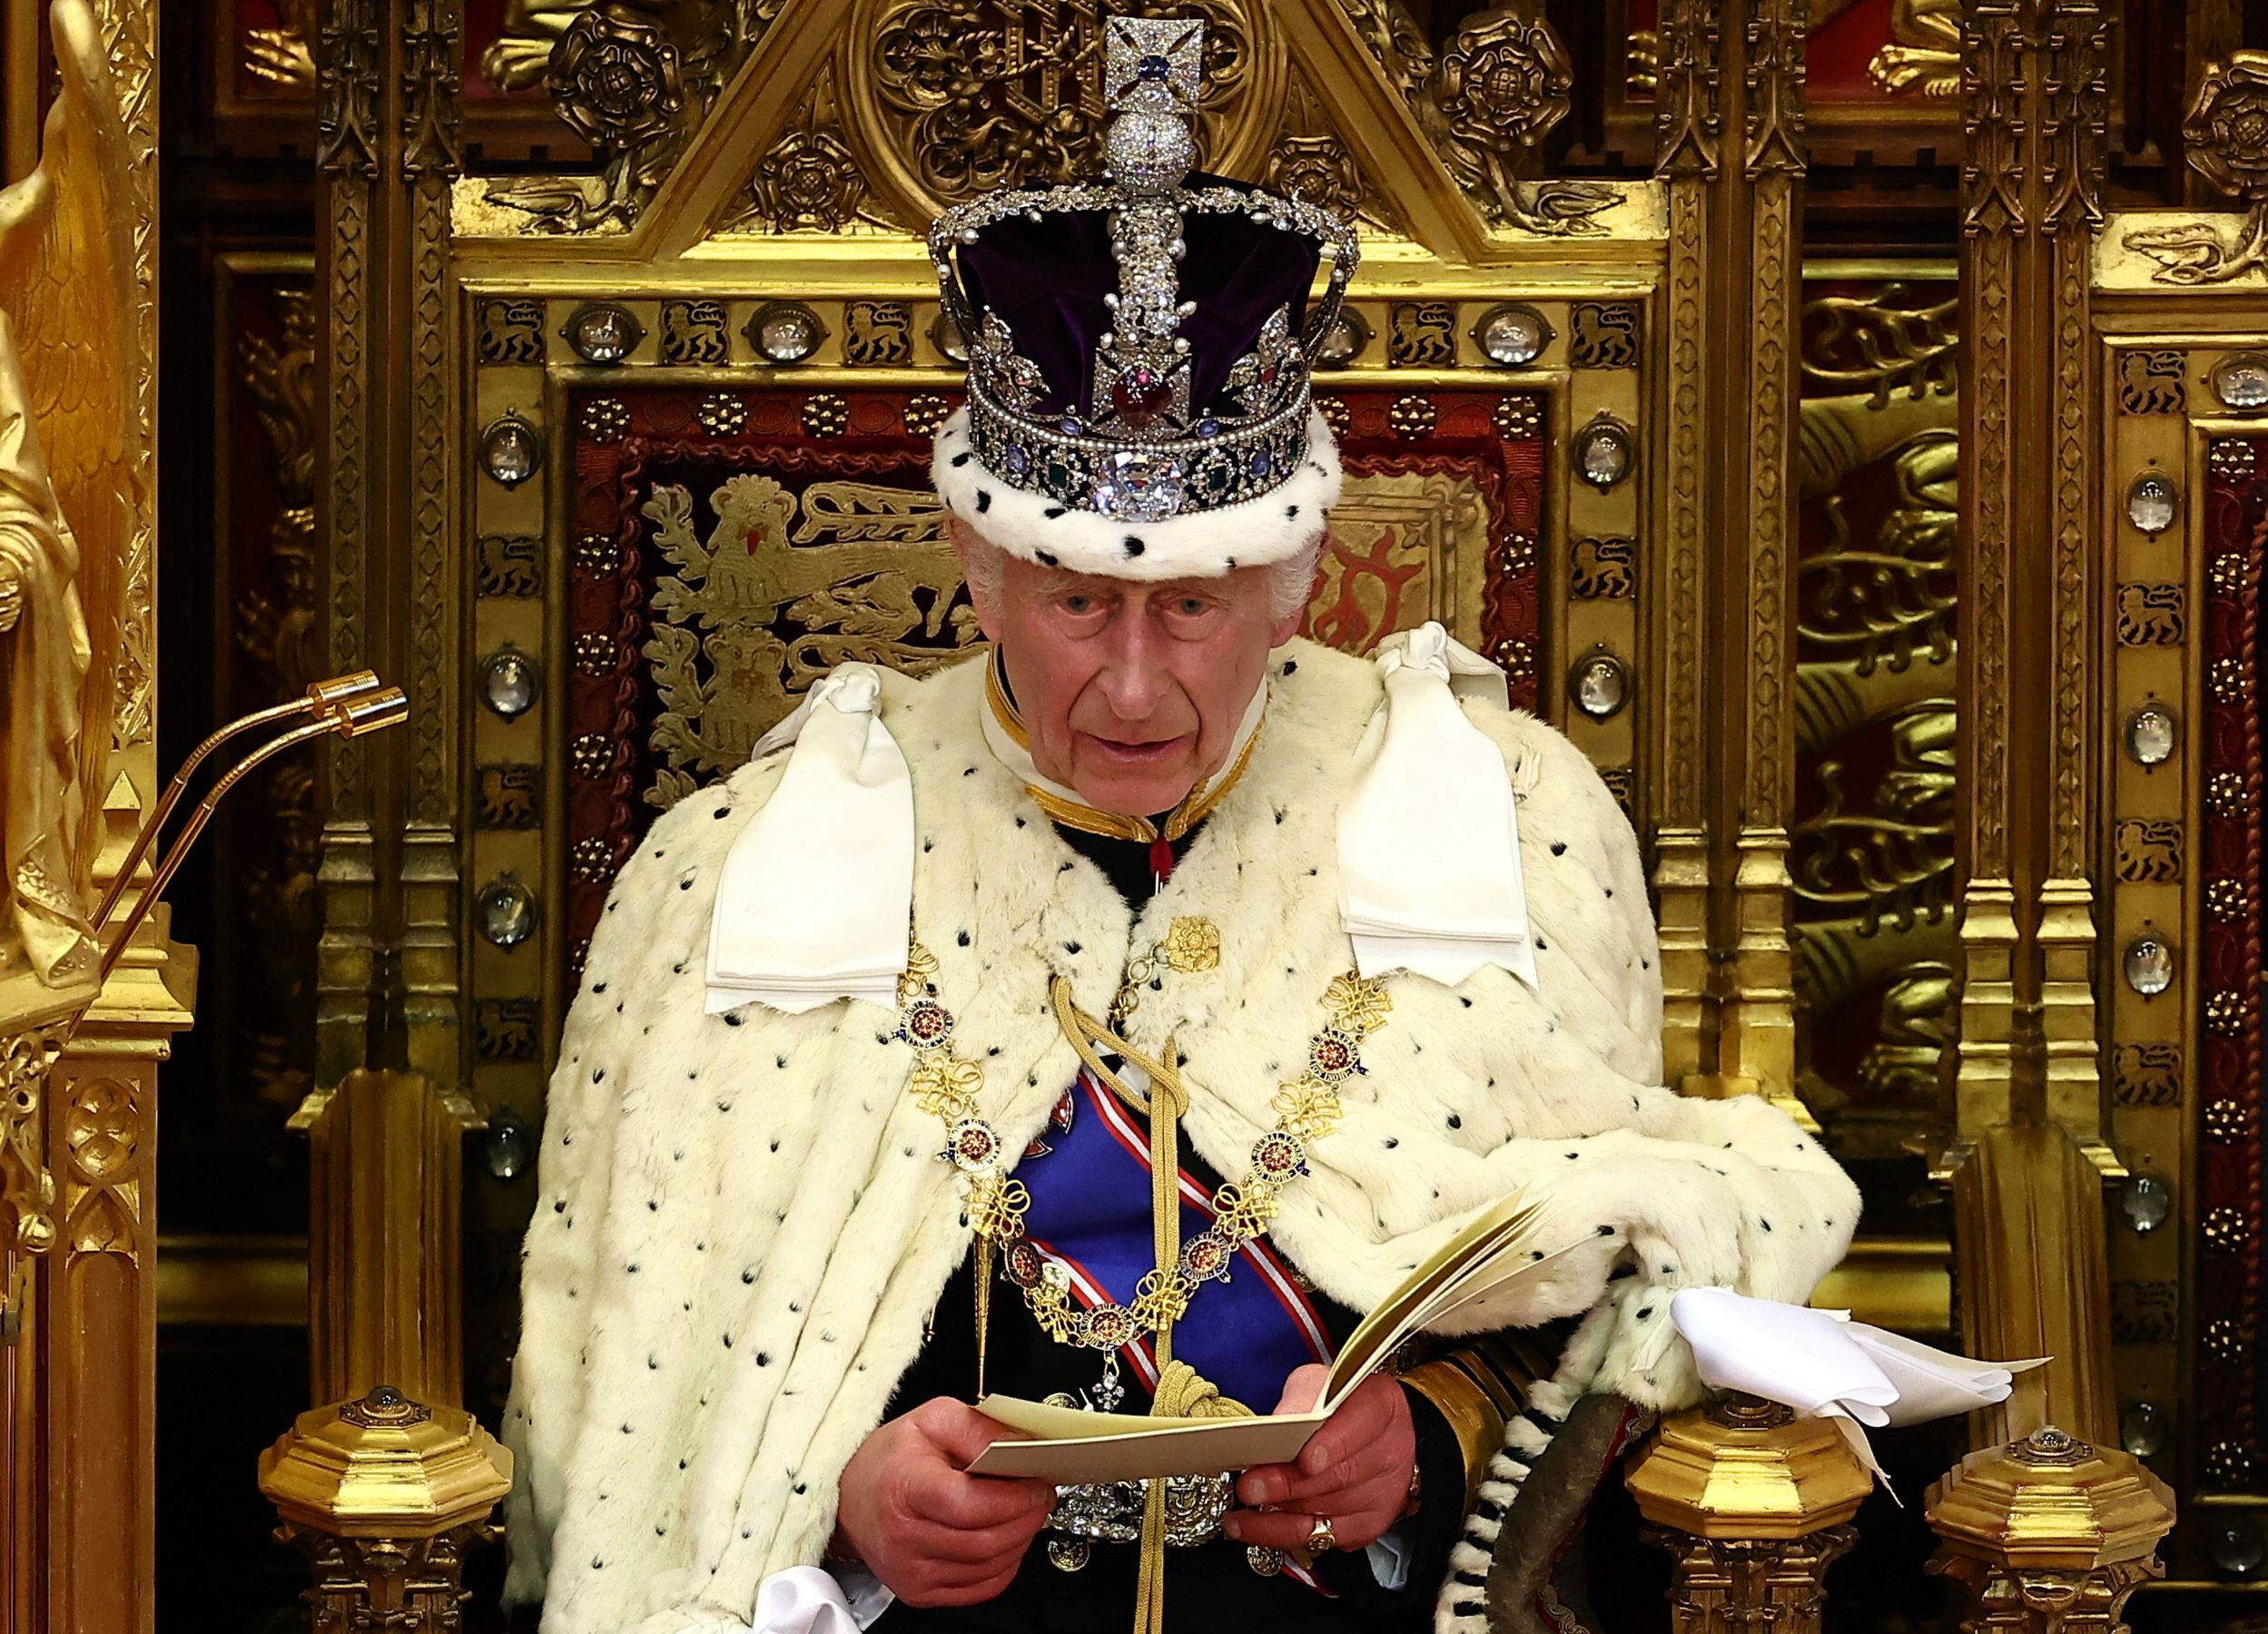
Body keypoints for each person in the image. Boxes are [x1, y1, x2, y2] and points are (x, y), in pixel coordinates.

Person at [503, 19, 1860, 1634]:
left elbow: (1606, 1270)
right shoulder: (740, 859)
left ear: (1295, 578)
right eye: (1077, 602)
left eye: (1198, 606)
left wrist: (1429, 1435)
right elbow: (659, 1368)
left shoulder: (1506, 815)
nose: (1137, 688)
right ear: (975, 567)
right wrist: (845, 1499)